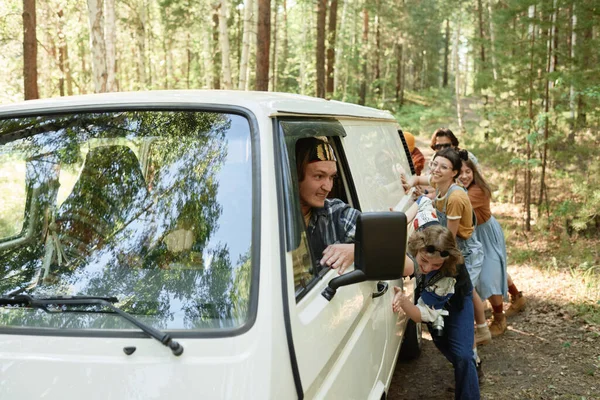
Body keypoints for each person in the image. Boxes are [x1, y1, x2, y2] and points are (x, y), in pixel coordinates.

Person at [403, 147, 491, 346]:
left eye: (443, 167)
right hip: (451, 245)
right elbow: (421, 181)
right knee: (459, 291)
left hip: (463, 250)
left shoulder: (455, 197)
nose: (435, 169)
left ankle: (478, 335)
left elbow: (448, 239)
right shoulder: (438, 182)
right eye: (434, 164)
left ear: (454, 173)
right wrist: (410, 183)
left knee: (465, 291)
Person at [392, 220, 481, 399]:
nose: (427, 268)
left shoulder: (447, 276)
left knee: (462, 354)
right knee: (444, 344)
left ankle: (470, 379)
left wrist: (403, 301)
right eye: (424, 260)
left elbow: (422, 315)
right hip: (429, 295)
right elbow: (421, 202)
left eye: (436, 265)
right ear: (417, 246)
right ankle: (469, 368)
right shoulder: (425, 234)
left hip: (456, 301)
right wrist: (398, 218)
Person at [458, 153, 526, 335]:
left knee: (490, 275)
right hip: (471, 235)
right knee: (492, 271)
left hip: (485, 234)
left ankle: (499, 319)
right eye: (460, 172)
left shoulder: (477, 190)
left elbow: (455, 204)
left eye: (468, 171)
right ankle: (517, 297)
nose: (464, 176)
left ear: (474, 171)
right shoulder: (458, 188)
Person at [295, 137, 360, 275]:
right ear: (294, 176)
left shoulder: (337, 213)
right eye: (319, 176)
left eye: (331, 177)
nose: (328, 187)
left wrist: (357, 250)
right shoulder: (269, 219)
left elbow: (406, 263)